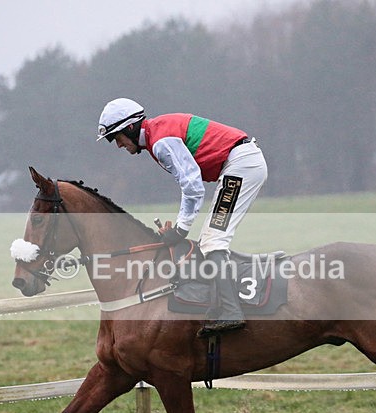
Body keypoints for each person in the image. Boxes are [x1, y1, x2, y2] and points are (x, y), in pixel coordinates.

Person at [97, 98, 268, 337]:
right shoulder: (157, 134)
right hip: (240, 163)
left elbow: (192, 187)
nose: (118, 145)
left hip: (241, 165)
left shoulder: (161, 142)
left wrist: (180, 230)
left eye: (116, 138)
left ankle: (231, 311)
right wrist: (180, 226)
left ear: (130, 128)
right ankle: (224, 303)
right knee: (212, 239)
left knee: (214, 241)